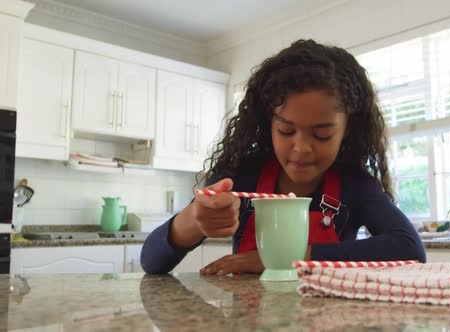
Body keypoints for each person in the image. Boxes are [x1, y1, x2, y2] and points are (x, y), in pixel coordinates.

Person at [141, 39, 426, 275]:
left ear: (347, 130)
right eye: (287, 131)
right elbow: (151, 261)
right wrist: (194, 220)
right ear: (269, 124)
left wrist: (285, 259)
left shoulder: (355, 185)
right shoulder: (242, 176)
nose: (301, 148)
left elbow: (410, 249)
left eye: (322, 135)